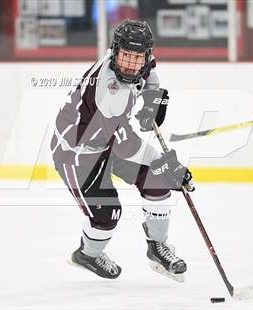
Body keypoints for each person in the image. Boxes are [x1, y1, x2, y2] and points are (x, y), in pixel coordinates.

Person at [50, 19, 195, 281]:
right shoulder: (108, 91)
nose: (130, 64)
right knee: (107, 214)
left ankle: (157, 248)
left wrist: (154, 97)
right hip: (78, 154)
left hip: (108, 141)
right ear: (116, 51)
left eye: (137, 57)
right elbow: (127, 147)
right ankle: (88, 254)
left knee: (156, 180)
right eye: (126, 55)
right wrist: (167, 164)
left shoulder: (141, 62)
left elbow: (150, 73)